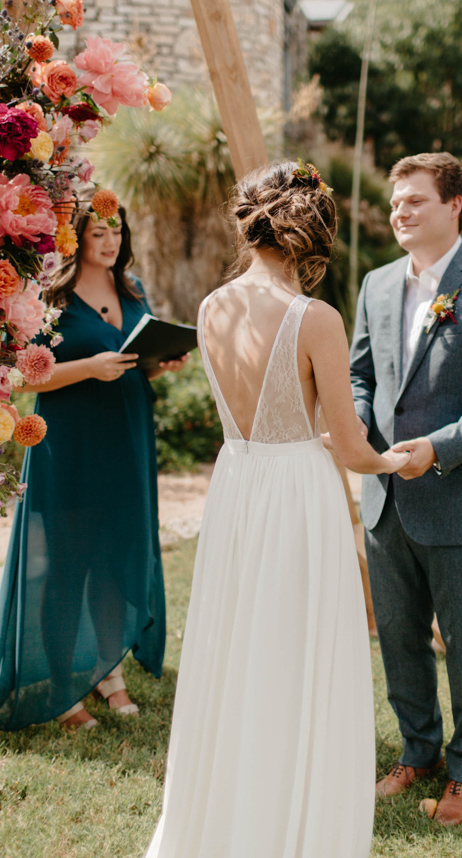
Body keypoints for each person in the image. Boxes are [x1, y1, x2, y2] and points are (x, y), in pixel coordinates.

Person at [145, 160, 408, 858]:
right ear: (314, 235)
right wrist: (395, 460)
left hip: (238, 487)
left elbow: (252, 417)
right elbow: (352, 449)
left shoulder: (210, 307)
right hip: (297, 497)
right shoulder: (315, 318)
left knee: (238, 649)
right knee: (298, 655)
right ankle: (289, 825)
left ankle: (226, 816)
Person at [349, 152, 462, 826]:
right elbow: (360, 374)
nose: (400, 210)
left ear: (454, 204)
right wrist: (365, 431)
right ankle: (418, 750)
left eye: (415, 200)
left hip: (459, 499)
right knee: (398, 637)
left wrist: (437, 449)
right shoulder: (374, 285)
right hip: (385, 500)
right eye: (396, 200)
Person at [0, 206, 188, 731]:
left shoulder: (134, 290)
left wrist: (161, 361)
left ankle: (110, 675)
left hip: (126, 437)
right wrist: (88, 368)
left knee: (114, 556)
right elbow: (25, 377)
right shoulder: (49, 299)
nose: (110, 241)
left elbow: (129, 358)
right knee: (67, 565)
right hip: (71, 444)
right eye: (97, 233)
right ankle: (63, 692)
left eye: (117, 231)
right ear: (76, 239)